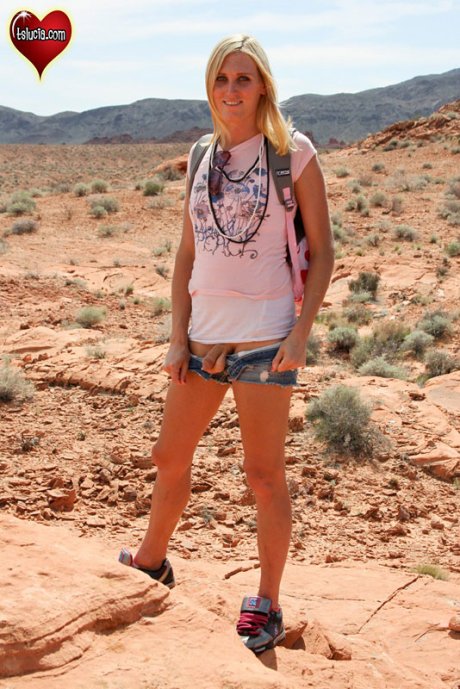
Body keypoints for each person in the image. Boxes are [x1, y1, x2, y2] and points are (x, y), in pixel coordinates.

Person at [119, 34, 334, 654]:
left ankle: (267, 602)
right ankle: (152, 562)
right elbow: (187, 253)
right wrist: (176, 336)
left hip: (266, 341)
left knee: (263, 476)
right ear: (209, 87)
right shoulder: (200, 155)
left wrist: (300, 332)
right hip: (201, 339)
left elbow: (324, 253)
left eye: (243, 78)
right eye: (221, 78)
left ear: (263, 85)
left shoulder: (292, 153)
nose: (231, 90)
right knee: (168, 455)